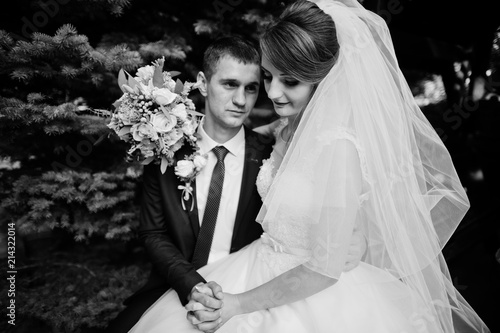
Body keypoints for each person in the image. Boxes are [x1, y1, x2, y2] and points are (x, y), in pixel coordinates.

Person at [128, 1, 490, 332]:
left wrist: (238, 304)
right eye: (269, 77)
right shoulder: (286, 128)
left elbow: (324, 267)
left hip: (315, 293)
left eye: (290, 82)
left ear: (324, 79)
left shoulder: (338, 148)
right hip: (252, 265)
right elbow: (236, 140)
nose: (272, 93)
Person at [105, 35, 367, 333]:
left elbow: (324, 203)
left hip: (252, 283)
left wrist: (357, 238)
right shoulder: (165, 146)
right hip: (178, 286)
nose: (241, 100)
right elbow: (153, 233)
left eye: (252, 88)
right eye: (230, 84)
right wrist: (192, 286)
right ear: (203, 83)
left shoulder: (273, 149)